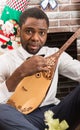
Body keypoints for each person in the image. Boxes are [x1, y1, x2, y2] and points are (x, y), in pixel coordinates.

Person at [0, 7, 80, 130]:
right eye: (29, 31)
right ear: (19, 31)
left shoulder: (54, 54)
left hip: (55, 113)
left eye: (41, 33)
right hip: (22, 118)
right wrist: (20, 72)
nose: (36, 38)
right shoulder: (6, 60)